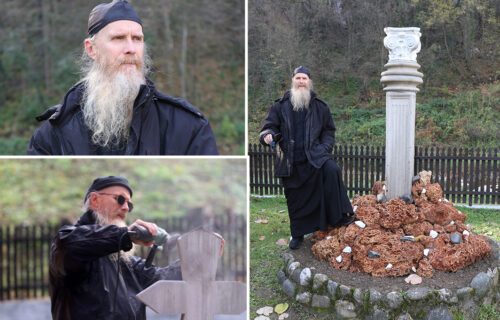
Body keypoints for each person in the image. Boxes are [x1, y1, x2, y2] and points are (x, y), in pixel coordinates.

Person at [28, 0, 218, 155]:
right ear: (91, 49)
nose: (131, 49)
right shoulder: (54, 133)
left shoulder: (188, 127)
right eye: (118, 38)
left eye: (137, 39)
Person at [49, 176, 224, 319]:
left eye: (129, 204)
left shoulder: (125, 261)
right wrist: (127, 235)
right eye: (120, 199)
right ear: (95, 200)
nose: (126, 208)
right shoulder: (67, 241)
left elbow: (164, 281)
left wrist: (202, 256)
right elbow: (73, 244)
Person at [259, 66, 354, 250]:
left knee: (332, 170)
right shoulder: (279, 106)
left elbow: (329, 131)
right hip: (289, 160)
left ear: (309, 82)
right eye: (298, 78)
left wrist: (325, 148)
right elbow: (269, 127)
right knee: (295, 198)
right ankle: (297, 234)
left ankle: (339, 217)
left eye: (304, 78)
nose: (301, 81)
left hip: (315, 157)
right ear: (293, 80)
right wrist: (268, 135)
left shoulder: (320, 106)